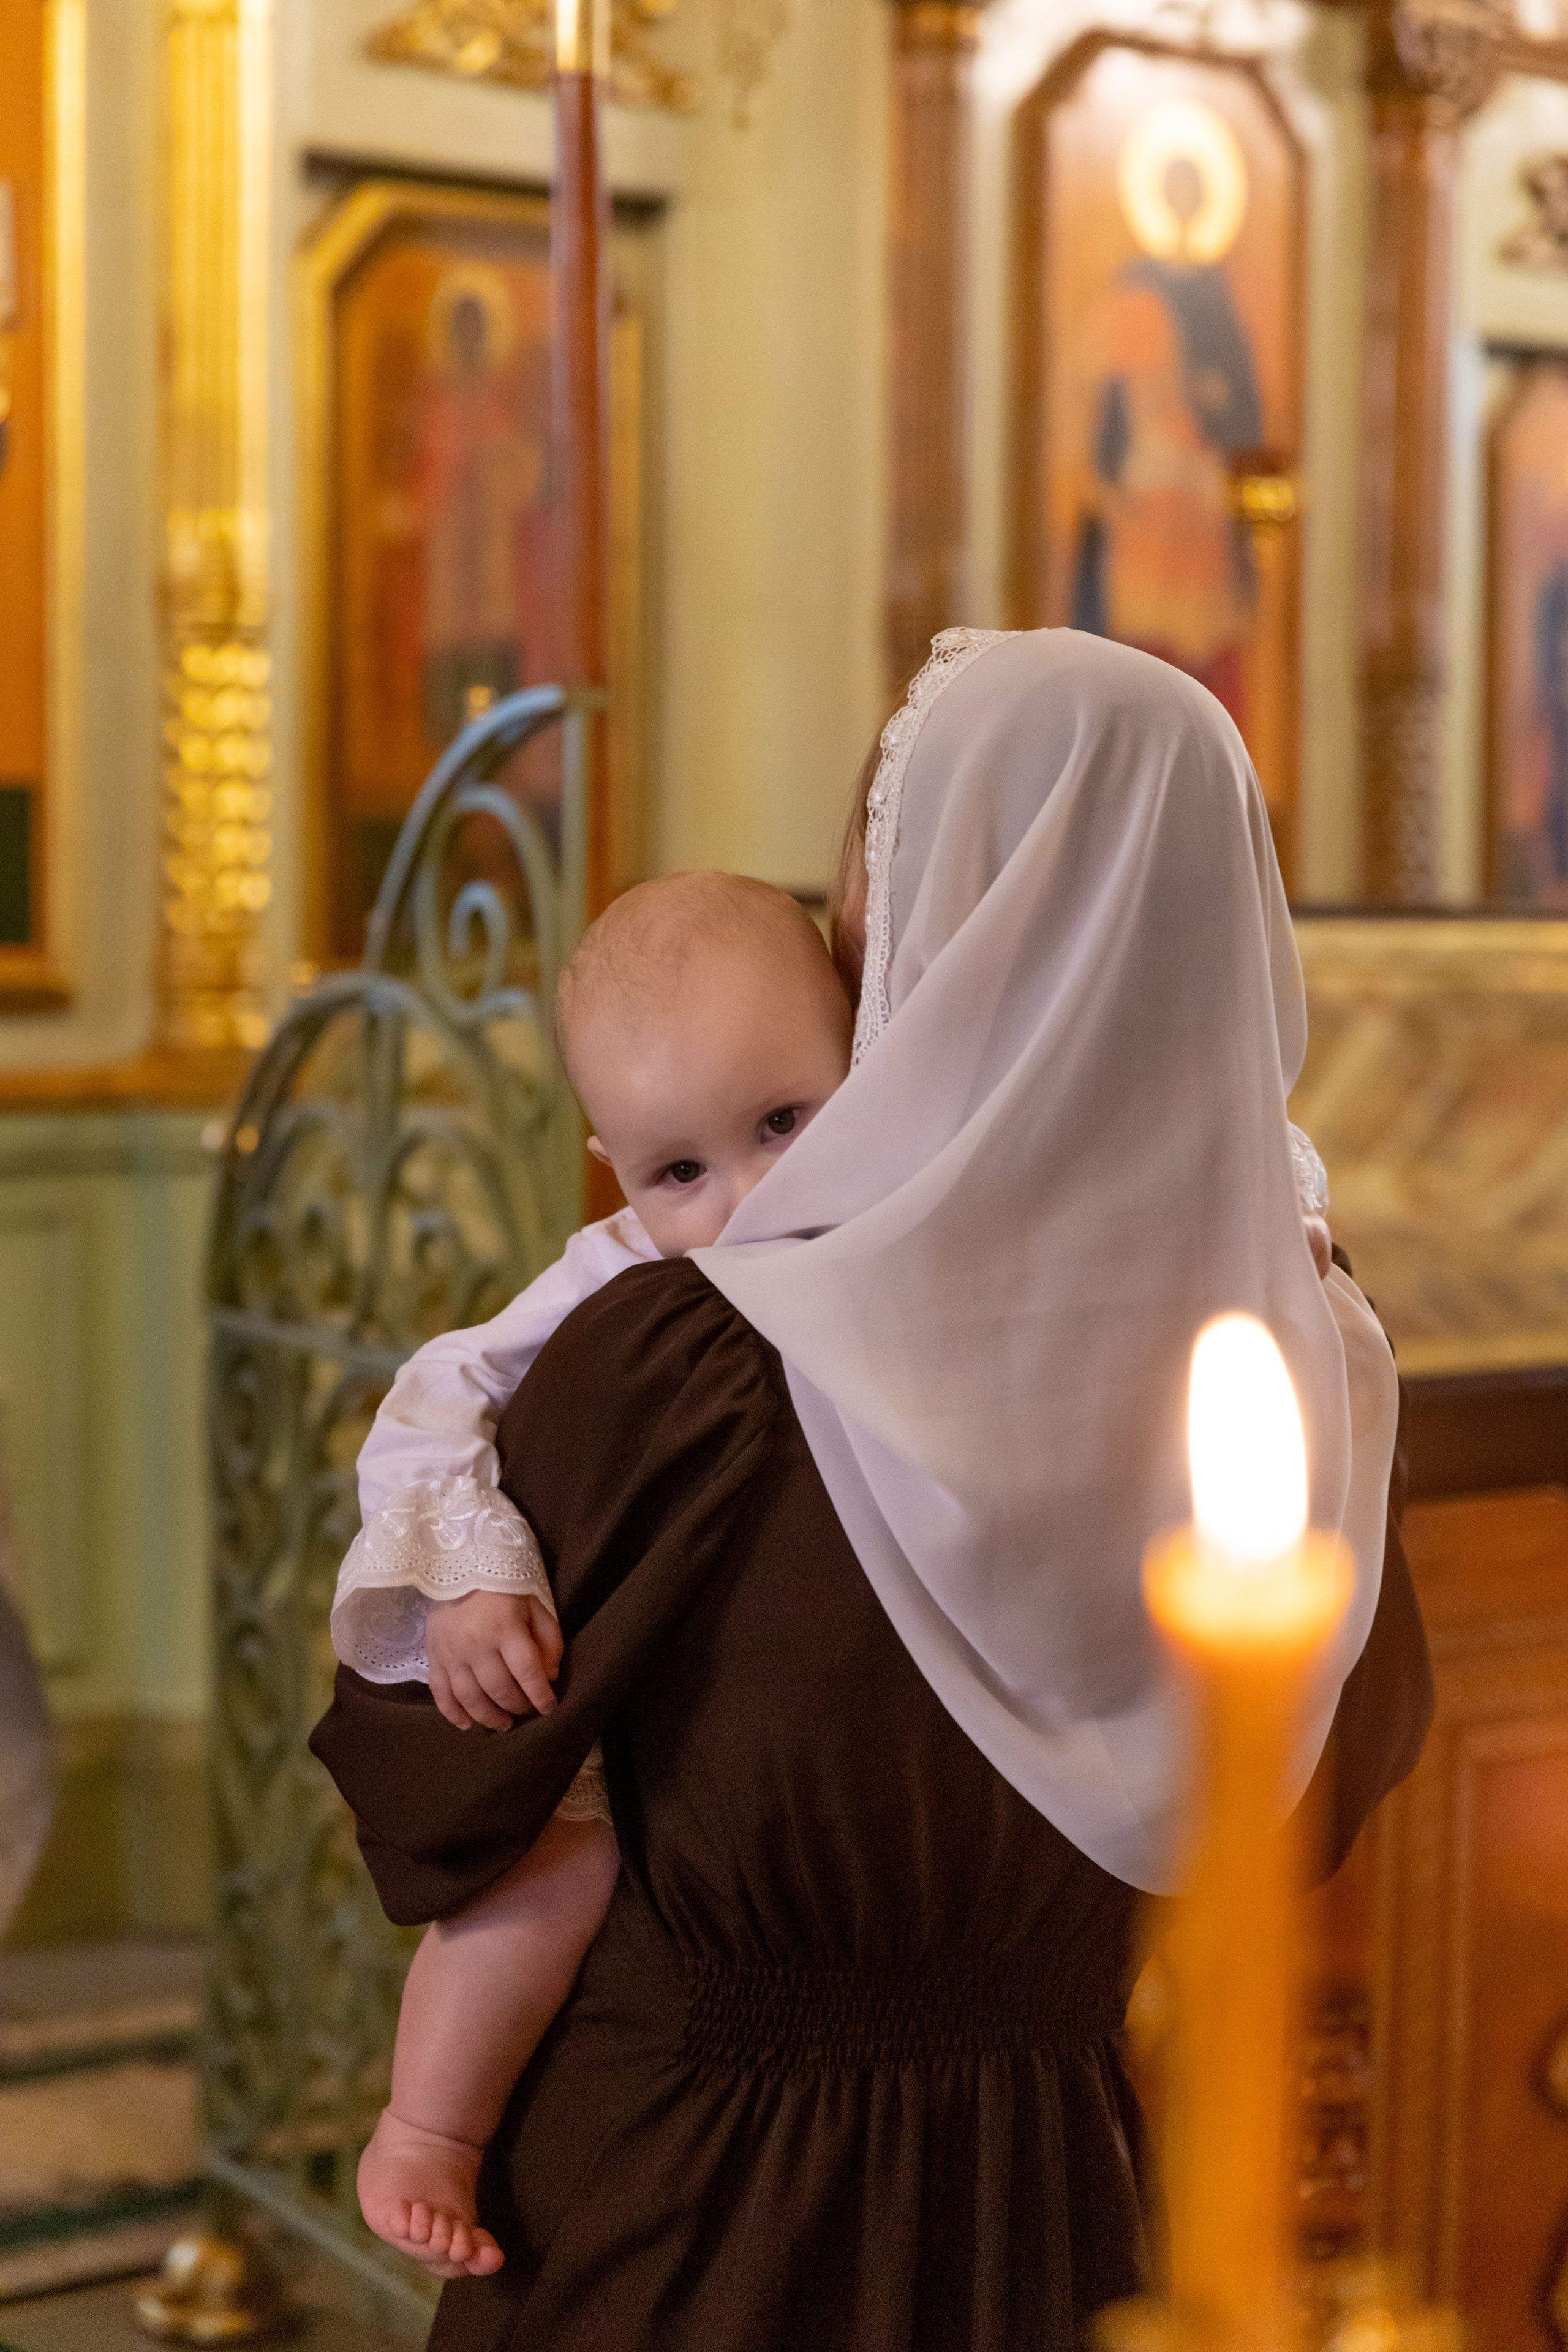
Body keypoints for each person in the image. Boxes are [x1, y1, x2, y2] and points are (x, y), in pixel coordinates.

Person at [313, 626, 1432, 2351]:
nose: (851, 934)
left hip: (705, 2219)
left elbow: (451, 1783)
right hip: (1074, 2204)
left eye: (877, 882)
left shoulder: (696, 1362)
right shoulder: (1301, 1381)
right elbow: (1303, 1801)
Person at [350, 867, 856, 2274]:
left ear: (860, 1056)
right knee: (550, 1866)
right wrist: (468, 1573)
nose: (746, 1197)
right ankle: (428, 2127)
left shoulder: (912, 1219)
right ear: (615, 1167)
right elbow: (437, 1392)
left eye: (783, 1124)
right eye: (680, 1169)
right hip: (608, 1684)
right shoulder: (616, 1270)